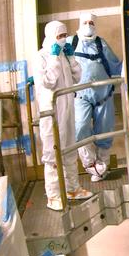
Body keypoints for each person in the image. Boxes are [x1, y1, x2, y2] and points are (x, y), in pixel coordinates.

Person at [34, 20, 91, 211]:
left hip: (68, 109)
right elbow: (48, 82)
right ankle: (53, 196)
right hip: (51, 112)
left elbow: (77, 78)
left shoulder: (64, 54)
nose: (63, 39)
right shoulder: (42, 57)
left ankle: (72, 189)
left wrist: (72, 59)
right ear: (50, 36)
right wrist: (53, 58)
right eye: (59, 36)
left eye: (64, 35)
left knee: (69, 150)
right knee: (52, 155)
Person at [72, 12, 123, 181]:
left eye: (91, 22)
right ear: (80, 24)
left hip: (104, 96)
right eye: (85, 22)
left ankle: (102, 168)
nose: (88, 25)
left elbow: (116, 66)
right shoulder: (71, 44)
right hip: (81, 96)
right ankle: (91, 165)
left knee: (105, 132)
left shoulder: (101, 44)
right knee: (80, 128)